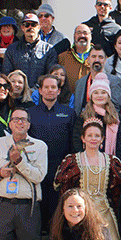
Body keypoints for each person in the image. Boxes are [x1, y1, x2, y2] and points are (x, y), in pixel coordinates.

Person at [0, 107, 48, 240]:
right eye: (16, 119)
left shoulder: (39, 146)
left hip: (28, 207)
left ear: (28, 125)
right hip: (2, 206)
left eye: (24, 120)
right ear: (10, 124)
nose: (20, 122)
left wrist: (20, 162)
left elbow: (39, 176)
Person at [28, 73, 78, 224]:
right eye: (46, 87)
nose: (50, 90)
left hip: (60, 171)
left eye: (53, 87)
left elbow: (73, 143)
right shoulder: (30, 113)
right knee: (37, 212)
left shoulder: (69, 113)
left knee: (58, 212)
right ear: (40, 91)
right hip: (36, 170)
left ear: (58, 91)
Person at [3, 12, 58, 84]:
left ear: (39, 27)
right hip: (18, 93)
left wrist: (37, 90)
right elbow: (7, 74)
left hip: (40, 93)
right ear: (22, 28)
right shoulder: (12, 49)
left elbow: (50, 76)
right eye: (27, 25)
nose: (30, 27)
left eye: (33, 25)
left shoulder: (48, 49)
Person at [79, 74, 120, 155]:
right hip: (87, 161)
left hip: (109, 161)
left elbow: (120, 143)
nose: (100, 96)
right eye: (96, 93)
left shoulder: (116, 118)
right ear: (91, 96)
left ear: (108, 96)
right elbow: (77, 141)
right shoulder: (83, 116)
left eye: (103, 92)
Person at [71, 45, 108, 113]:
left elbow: (115, 108)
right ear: (88, 59)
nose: (97, 60)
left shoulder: (114, 81)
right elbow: (77, 108)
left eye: (100, 57)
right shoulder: (80, 83)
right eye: (93, 56)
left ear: (105, 60)